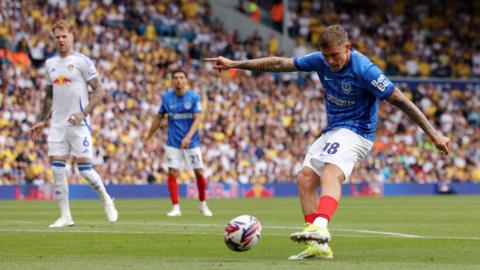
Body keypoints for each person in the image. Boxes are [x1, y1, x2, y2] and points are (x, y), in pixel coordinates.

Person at [205, 24, 451, 259]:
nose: (330, 62)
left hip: (357, 133)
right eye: (326, 56)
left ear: (348, 47)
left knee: (330, 172)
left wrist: (434, 134)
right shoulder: (320, 59)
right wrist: (235, 64)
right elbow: (280, 63)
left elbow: (401, 101)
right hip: (332, 131)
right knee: (305, 179)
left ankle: (320, 228)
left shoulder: (365, 70)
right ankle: (317, 247)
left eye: (335, 55)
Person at [29, 20, 118, 228]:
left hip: (79, 124)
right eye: (57, 37)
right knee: (57, 170)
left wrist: (83, 113)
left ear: (72, 37)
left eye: (64, 36)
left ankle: (107, 199)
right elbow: (50, 95)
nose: (60, 40)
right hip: (57, 125)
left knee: (85, 170)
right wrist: (41, 120)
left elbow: (100, 91)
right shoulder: (50, 64)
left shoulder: (82, 61)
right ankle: (66, 216)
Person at [145, 69, 213, 217]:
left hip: (192, 143)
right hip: (173, 142)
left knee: (199, 172)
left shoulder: (194, 97)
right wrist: (149, 136)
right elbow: (158, 118)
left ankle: (203, 204)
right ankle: (176, 207)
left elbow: (198, 119)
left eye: (181, 77)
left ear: (186, 80)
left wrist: (188, 137)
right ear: (172, 80)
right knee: (172, 172)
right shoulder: (167, 98)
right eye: (175, 78)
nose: (178, 80)